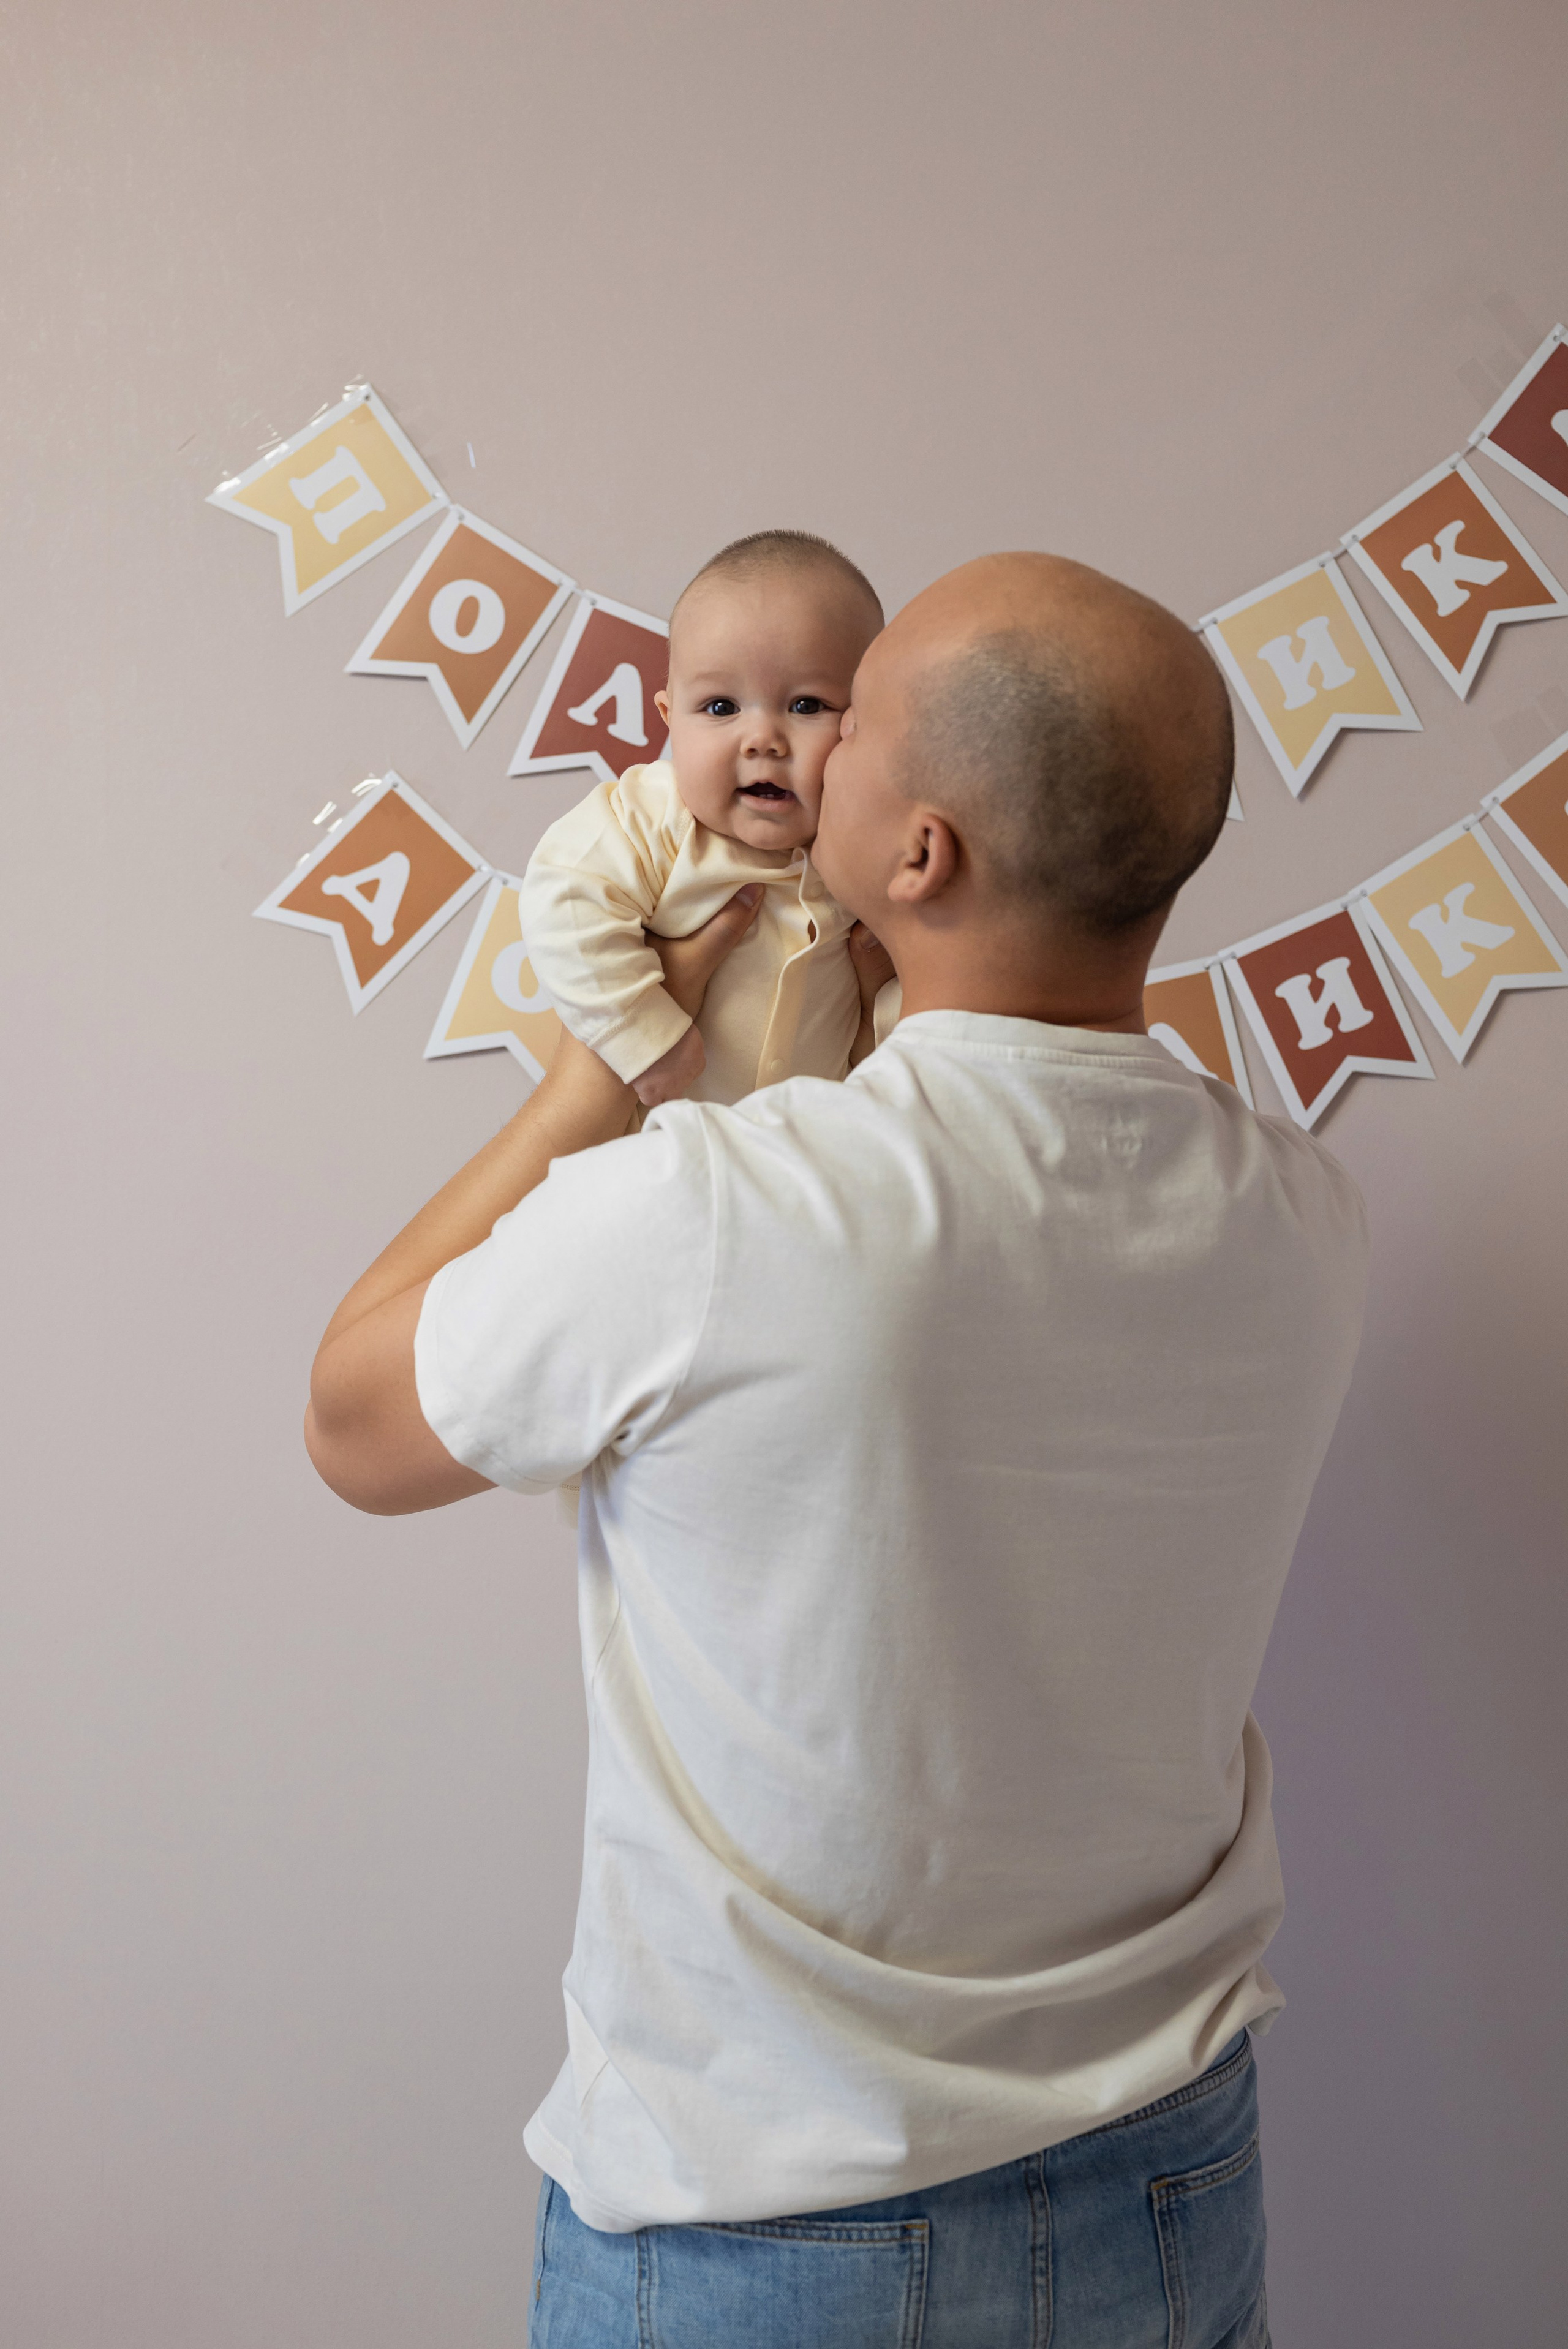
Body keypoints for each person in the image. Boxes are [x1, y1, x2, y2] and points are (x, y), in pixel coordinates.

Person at [304, 552, 1369, 2348]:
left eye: (843, 716)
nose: (792, 748)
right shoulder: (1303, 1213)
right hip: (1172, 2181)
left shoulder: (717, 1211)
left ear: (919, 854)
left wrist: (605, 1071)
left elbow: (354, 1424)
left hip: (770, 2220)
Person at [521, 529, 892, 1110]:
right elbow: (565, 900)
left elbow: (911, 976)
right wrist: (643, 1036)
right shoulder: (651, 820)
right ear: (670, 719)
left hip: (800, 1163)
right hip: (659, 1151)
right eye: (721, 708)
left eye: (807, 705)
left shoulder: (870, 847)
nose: (763, 740)